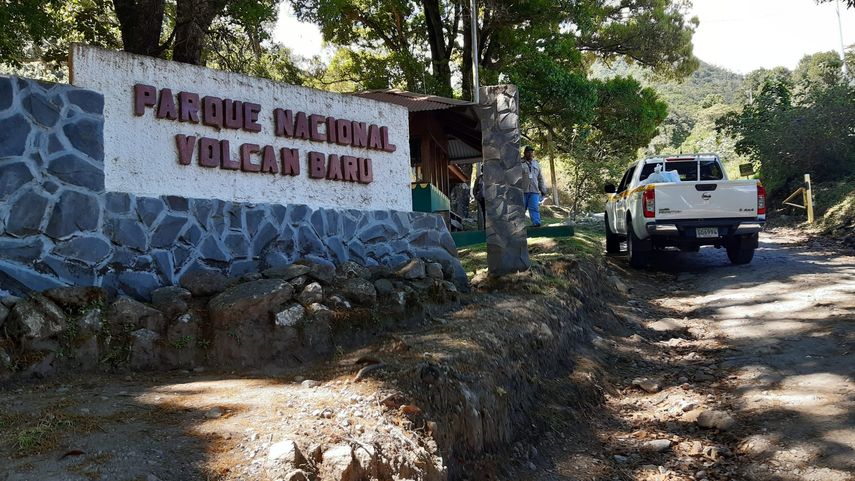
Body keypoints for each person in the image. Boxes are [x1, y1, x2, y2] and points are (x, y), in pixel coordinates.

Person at [522, 146, 548, 227]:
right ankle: (517, 226)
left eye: (531, 152)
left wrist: (543, 190)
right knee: (520, 209)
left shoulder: (536, 163)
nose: (530, 154)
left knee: (534, 208)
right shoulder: (519, 163)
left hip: (534, 190)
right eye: (528, 152)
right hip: (522, 191)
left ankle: (536, 223)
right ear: (524, 153)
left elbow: (540, 178)